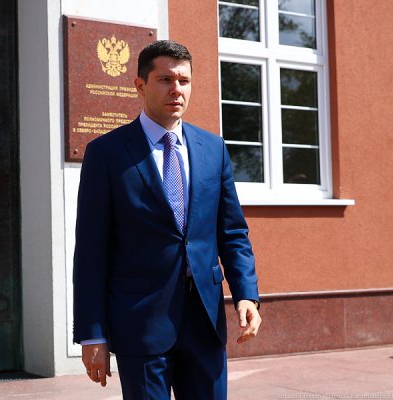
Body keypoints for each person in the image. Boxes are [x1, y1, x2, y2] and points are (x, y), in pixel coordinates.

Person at [73, 40, 262, 400]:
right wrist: (92, 333)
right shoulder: (107, 154)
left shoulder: (213, 149)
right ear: (140, 85)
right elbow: (91, 252)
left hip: (205, 321)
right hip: (141, 323)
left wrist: (246, 295)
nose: (176, 89)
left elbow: (233, 233)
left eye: (184, 81)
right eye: (165, 79)